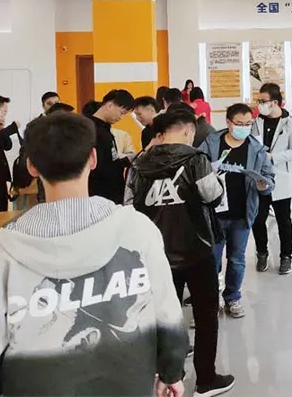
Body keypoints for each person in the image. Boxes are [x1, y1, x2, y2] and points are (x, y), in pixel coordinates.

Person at [0, 113, 189, 396]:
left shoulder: (2, 253)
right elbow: (166, 309)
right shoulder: (137, 230)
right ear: (93, 158)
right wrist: (171, 371)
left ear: (31, 166)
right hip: (128, 384)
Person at [126, 109, 235, 397]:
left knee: (164, 317)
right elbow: (212, 195)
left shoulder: (138, 163)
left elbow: (128, 207)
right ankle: (206, 380)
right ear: (188, 131)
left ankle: (171, 374)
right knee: (205, 316)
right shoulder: (196, 159)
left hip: (155, 253)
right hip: (196, 249)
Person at [199, 104, 275, 319]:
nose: (244, 128)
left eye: (248, 124)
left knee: (237, 259)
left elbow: (270, 180)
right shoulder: (212, 143)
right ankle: (210, 300)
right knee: (211, 260)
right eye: (239, 124)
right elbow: (197, 168)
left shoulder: (257, 149)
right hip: (214, 214)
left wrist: (263, 185)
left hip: (242, 213)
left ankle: (232, 297)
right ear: (228, 122)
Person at [251, 83, 292, 275]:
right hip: (260, 178)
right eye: (259, 101)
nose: (260, 104)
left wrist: (273, 157)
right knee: (258, 219)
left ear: (274, 102)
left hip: (281, 177)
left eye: (263, 101)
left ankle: (286, 257)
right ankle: (262, 252)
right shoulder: (257, 122)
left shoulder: (290, 123)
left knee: (284, 221)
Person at [86, 89, 136, 204]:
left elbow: (110, 159)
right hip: (100, 193)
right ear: (110, 105)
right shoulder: (91, 130)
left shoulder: (105, 129)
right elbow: (100, 165)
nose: (121, 117)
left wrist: (124, 161)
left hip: (112, 191)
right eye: (122, 113)